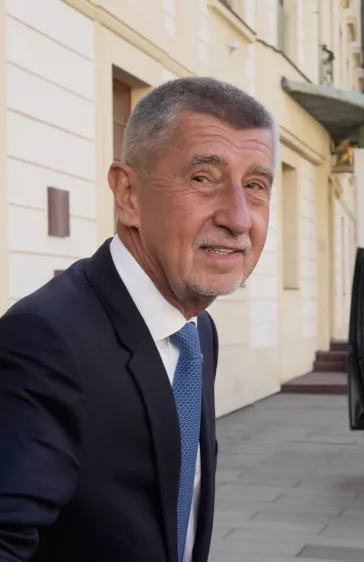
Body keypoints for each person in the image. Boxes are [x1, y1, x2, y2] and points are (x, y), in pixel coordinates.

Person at [0, 77, 276, 562]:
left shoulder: (197, 328)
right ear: (128, 194)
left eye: (254, 185)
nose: (238, 217)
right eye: (203, 178)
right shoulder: (44, 340)